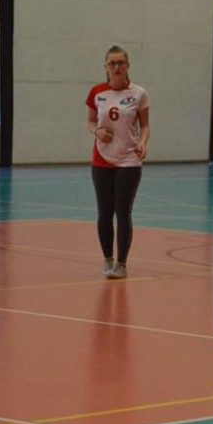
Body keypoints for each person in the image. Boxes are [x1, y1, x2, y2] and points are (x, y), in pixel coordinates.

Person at [85, 45, 150, 279]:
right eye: (112, 63)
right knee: (105, 212)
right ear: (106, 66)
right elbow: (90, 122)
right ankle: (107, 259)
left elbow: (145, 126)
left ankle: (121, 264)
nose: (116, 67)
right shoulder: (97, 92)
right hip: (102, 158)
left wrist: (143, 142)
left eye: (120, 62)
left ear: (127, 65)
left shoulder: (139, 93)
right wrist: (97, 132)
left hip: (129, 159)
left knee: (123, 212)